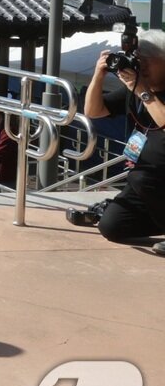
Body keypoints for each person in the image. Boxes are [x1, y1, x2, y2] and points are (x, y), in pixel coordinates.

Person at [83, 31, 165, 253]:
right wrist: (99, 75)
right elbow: (93, 110)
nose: (142, 66)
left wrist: (143, 93)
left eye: (148, 60)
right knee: (112, 227)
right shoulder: (135, 89)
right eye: (139, 60)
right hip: (142, 184)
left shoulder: (141, 90)